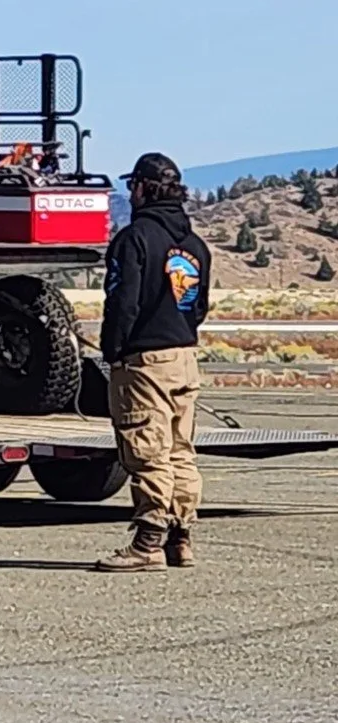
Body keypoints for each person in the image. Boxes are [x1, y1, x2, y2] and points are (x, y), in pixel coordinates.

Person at [95, 152, 211, 572]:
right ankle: (181, 537)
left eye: (133, 186)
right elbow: (199, 305)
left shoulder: (134, 239)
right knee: (181, 449)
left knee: (146, 448)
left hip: (144, 360)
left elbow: (122, 302)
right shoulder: (195, 245)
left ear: (142, 188)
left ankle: (147, 542)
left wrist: (114, 349)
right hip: (185, 354)